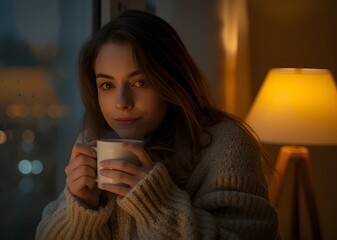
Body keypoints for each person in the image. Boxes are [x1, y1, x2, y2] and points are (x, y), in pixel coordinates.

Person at [36, 10, 280, 239]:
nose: (122, 102)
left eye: (140, 82)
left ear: (171, 80)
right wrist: (81, 208)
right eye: (107, 85)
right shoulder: (95, 141)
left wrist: (155, 203)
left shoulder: (226, 144)